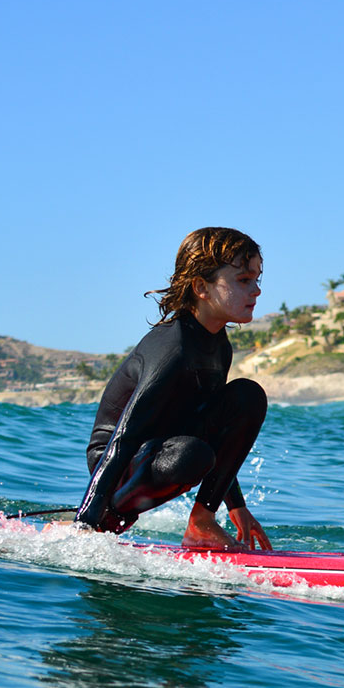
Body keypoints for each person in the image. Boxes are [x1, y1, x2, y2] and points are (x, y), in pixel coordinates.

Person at [75, 227, 271, 550]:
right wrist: (87, 521)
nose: (257, 291)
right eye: (243, 280)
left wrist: (237, 506)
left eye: (256, 280)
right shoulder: (172, 348)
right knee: (193, 455)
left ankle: (202, 524)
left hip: (169, 449)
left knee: (249, 397)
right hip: (119, 463)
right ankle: (107, 519)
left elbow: (219, 434)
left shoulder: (219, 348)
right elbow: (123, 438)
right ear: (201, 287)